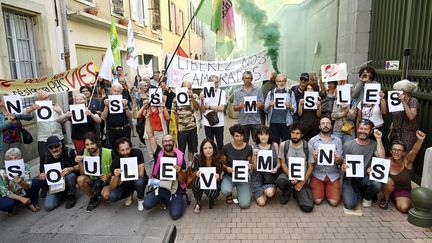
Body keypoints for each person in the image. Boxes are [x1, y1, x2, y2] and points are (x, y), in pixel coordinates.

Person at [143, 117, 186, 220]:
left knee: (175, 215)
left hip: (174, 188)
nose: (168, 143)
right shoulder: (158, 153)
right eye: (165, 141)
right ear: (162, 144)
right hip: (159, 186)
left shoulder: (180, 156)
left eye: (170, 141)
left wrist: (179, 172)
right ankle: (162, 199)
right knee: (146, 205)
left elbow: (182, 180)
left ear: (174, 143)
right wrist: (148, 117)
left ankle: (172, 200)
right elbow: (150, 135)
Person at [341, 119, 386, 210]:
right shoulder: (348, 145)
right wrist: (343, 167)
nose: (362, 131)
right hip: (350, 179)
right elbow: (343, 163)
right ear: (357, 129)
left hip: (365, 177)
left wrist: (379, 140)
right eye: (361, 128)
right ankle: (357, 192)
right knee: (350, 205)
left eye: (366, 129)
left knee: (378, 184)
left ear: (371, 131)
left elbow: (382, 158)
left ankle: (367, 197)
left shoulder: (374, 144)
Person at [380, 130, 426, 213]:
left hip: (402, 191)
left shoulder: (407, 161)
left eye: (399, 150)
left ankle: (399, 199)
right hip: (389, 188)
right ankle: (386, 199)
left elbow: (414, 151)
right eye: (394, 149)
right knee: (388, 181)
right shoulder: (387, 161)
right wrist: (370, 169)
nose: (396, 152)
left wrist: (420, 140)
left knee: (404, 208)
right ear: (391, 151)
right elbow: (377, 171)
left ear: (404, 153)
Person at [275, 123, 315, 212]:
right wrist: (291, 176)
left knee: (307, 207)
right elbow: (283, 163)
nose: (295, 136)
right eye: (293, 133)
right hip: (288, 175)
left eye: (297, 133)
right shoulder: (284, 145)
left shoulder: (308, 147)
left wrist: (302, 182)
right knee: (280, 180)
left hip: (302, 178)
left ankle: (297, 192)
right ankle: (287, 191)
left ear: (302, 134)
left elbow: (311, 166)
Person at [309, 116, 343, 206]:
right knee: (317, 201)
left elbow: (340, 162)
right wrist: (313, 157)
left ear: (331, 126)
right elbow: (308, 162)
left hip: (333, 175)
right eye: (323, 123)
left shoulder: (338, 141)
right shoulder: (312, 141)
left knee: (334, 202)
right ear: (319, 126)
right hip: (317, 174)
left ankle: (328, 189)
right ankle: (321, 189)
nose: (325, 125)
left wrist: (338, 158)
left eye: (328, 123)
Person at [76, 132, 114, 212]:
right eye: (87, 145)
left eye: (92, 144)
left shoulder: (109, 152)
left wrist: (107, 176)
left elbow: (117, 169)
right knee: (80, 179)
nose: (90, 147)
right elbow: (83, 174)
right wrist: (79, 162)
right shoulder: (83, 152)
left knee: (106, 195)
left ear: (97, 143)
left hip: (107, 181)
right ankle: (93, 198)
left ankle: (106, 191)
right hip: (92, 180)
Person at [39, 136, 79, 211]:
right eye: (51, 148)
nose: (54, 149)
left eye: (56, 146)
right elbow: (41, 172)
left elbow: (79, 167)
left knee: (71, 176)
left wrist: (71, 169)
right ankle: (62, 193)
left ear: (60, 145)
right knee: (49, 206)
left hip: (67, 180)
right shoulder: (45, 156)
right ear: (48, 149)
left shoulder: (69, 151)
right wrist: (42, 175)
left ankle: (71, 194)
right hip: (54, 185)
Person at [109, 137, 148, 211]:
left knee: (140, 182)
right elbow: (112, 186)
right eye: (122, 150)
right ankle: (129, 193)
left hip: (137, 180)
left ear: (131, 147)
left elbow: (141, 174)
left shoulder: (137, 152)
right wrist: (116, 176)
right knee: (113, 196)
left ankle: (140, 198)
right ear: (118, 150)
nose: (125, 152)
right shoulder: (115, 161)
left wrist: (132, 170)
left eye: (127, 149)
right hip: (125, 184)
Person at [220, 124, 253, 209]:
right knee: (225, 190)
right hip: (229, 176)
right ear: (232, 136)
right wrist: (227, 168)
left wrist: (250, 166)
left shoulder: (248, 148)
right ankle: (229, 193)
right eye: (237, 136)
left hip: (242, 177)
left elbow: (250, 163)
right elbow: (222, 164)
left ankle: (241, 192)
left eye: (241, 135)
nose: (240, 138)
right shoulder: (226, 148)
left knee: (244, 205)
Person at [0, 148, 41, 213]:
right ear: (6, 161)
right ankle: (10, 209)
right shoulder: (2, 172)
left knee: (36, 182)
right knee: (7, 204)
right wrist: (21, 198)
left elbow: (28, 185)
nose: (13, 160)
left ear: (20, 158)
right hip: (9, 194)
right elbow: (5, 192)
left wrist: (21, 182)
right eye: (10, 159)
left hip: (21, 190)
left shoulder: (25, 166)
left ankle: (31, 202)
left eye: (16, 157)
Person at [190, 138, 223, 214]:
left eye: (210, 148)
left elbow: (220, 173)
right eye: (205, 148)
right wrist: (196, 173)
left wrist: (218, 176)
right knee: (195, 183)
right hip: (202, 180)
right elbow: (194, 171)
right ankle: (198, 201)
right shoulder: (198, 158)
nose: (208, 150)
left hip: (214, 181)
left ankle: (212, 198)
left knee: (212, 194)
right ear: (202, 150)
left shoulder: (219, 159)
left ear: (214, 149)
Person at [250, 126, 279, 206]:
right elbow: (254, 167)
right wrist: (254, 155)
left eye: (266, 134)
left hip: (270, 177)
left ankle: (268, 190)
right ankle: (261, 192)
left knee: (269, 193)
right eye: (261, 134)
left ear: (269, 136)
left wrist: (276, 168)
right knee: (261, 203)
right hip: (257, 178)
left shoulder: (274, 145)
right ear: (258, 135)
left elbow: (278, 162)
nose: (264, 137)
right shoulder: (253, 147)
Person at [0, 95, 32, 168]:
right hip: (3, 144)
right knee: (3, 166)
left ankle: (19, 179)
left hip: (17, 142)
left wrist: (18, 115)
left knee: (18, 164)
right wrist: (9, 121)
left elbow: (30, 117)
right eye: (6, 98)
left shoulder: (15, 110)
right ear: (0, 102)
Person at [172, 80, 200, 164]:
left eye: (190, 88)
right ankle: (182, 167)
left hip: (192, 127)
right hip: (181, 129)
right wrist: (177, 128)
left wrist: (192, 97)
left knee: (192, 149)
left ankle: (190, 165)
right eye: (187, 88)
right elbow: (175, 114)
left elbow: (196, 108)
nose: (188, 90)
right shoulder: (176, 98)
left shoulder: (194, 96)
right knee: (181, 150)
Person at [264, 73, 296, 144]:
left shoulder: (290, 93)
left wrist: (290, 107)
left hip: (286, 123)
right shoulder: (271, 93)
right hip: (273, 123)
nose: (281, 83)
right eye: (279, 81)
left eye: (283, 81)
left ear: (285, 81)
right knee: (274, 143)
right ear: (276, 82)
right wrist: (269, 105)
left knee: (286, 143)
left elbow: (294, 110)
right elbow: (265, 110)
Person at [233, 71, 264, 143]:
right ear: (243, 79)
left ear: (252, 79)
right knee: (243, 142)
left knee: (258, 142)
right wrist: (239, 106)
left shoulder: (258, 90)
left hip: (255, 120)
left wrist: (260, 105)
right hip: (243, 121)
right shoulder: (237, 92)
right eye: (246, 78)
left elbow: (262, 104)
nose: (247, 80)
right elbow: (234, 108)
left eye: (249, 78)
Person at [389, 79, 420, 151]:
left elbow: (411, 116)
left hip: (407, 135)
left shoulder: (413, 101)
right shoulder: (396, 101)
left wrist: (403, 102)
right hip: (396, 134)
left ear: (403, 92)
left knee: (405, 156)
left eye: (396, 90)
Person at [101, 83, 133, 149]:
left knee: (126, 149)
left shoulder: (125, 100)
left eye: (118, 91)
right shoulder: (106, 100)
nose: (116, 93)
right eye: (114, 91)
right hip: (112, 130)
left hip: (124, 129)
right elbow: (103, 117)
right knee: (114, 149)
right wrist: (106, 106)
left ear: (121, 92)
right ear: (111, 91)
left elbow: (130, 116)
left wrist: (126, 107)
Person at [200, 75, 227, 151]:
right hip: (207, 122)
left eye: (217, 82)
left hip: (219, 122)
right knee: (209, 143)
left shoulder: (222, 92)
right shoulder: (203, 92)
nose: (216, 84)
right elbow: (202, 110)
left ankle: (220, 160)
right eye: (214, 82)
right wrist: (202, 100)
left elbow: (221, 108)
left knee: (220, 143)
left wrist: (208, 107)